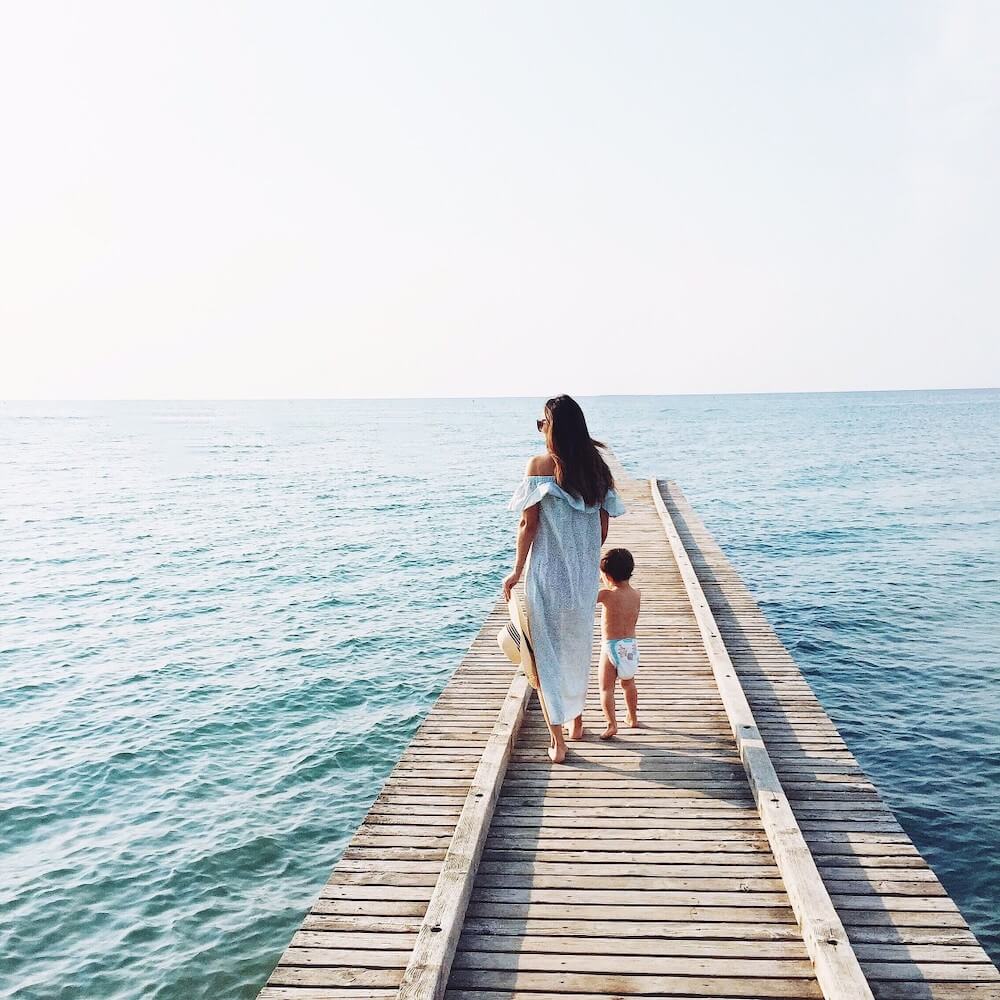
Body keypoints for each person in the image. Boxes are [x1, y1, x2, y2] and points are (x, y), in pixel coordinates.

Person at [502, 395, 625, 763]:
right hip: (584, 580)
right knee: (575, 650)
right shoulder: (597, 470)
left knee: (544, 659)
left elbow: (528, 525)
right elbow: (603, 529)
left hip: (547, 579)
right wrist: (583, 558)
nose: (541, 430)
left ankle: (558, 740)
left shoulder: (538, 466)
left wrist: (517, 570)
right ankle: (577, 721)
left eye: (543, 423)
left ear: (553, 428)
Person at [597, 547, 641, 739]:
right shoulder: (636, 594)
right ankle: (632, 717)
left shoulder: (606, 595)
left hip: (611, 647)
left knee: (607, 688)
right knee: (628, 683)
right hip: (630, 646)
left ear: (607, 575)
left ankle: (611, 724)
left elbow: (586, 599)